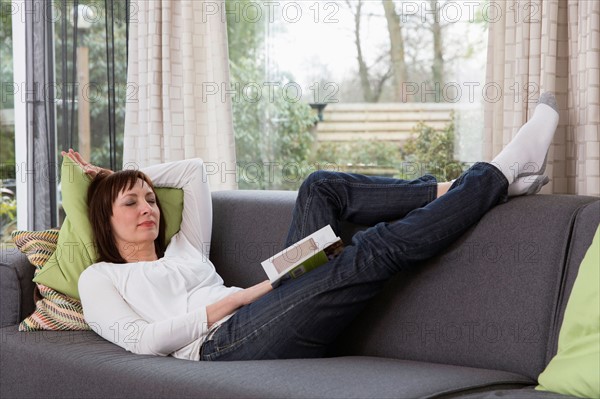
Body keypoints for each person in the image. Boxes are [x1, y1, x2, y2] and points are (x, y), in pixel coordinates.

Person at [73, 93, 559, 361]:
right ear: (104, 218)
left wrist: (114, 175)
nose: (149, 208)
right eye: (131, 202)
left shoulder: (184, 248)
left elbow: (193, 171)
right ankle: (496, 173)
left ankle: (456, 189)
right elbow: (143, 342)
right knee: (371, 248)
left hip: (269, 304)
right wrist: (242, 296)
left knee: (320, 186)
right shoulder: (101, 278)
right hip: (225, 342)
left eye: (151, 199)